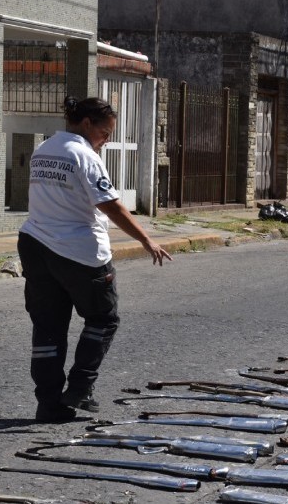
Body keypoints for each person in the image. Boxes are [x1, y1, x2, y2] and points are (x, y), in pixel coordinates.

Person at [18, 96, 172, 423]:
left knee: (48, 326)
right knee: (103, 318)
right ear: (87, 124)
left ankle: (48, 404)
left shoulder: (44, 149)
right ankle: (80, 387)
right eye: (105, 132)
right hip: (79, 250)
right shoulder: (83, 155)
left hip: (35, 243)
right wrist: (146, 239)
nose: (107, 139)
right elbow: (112, 206)